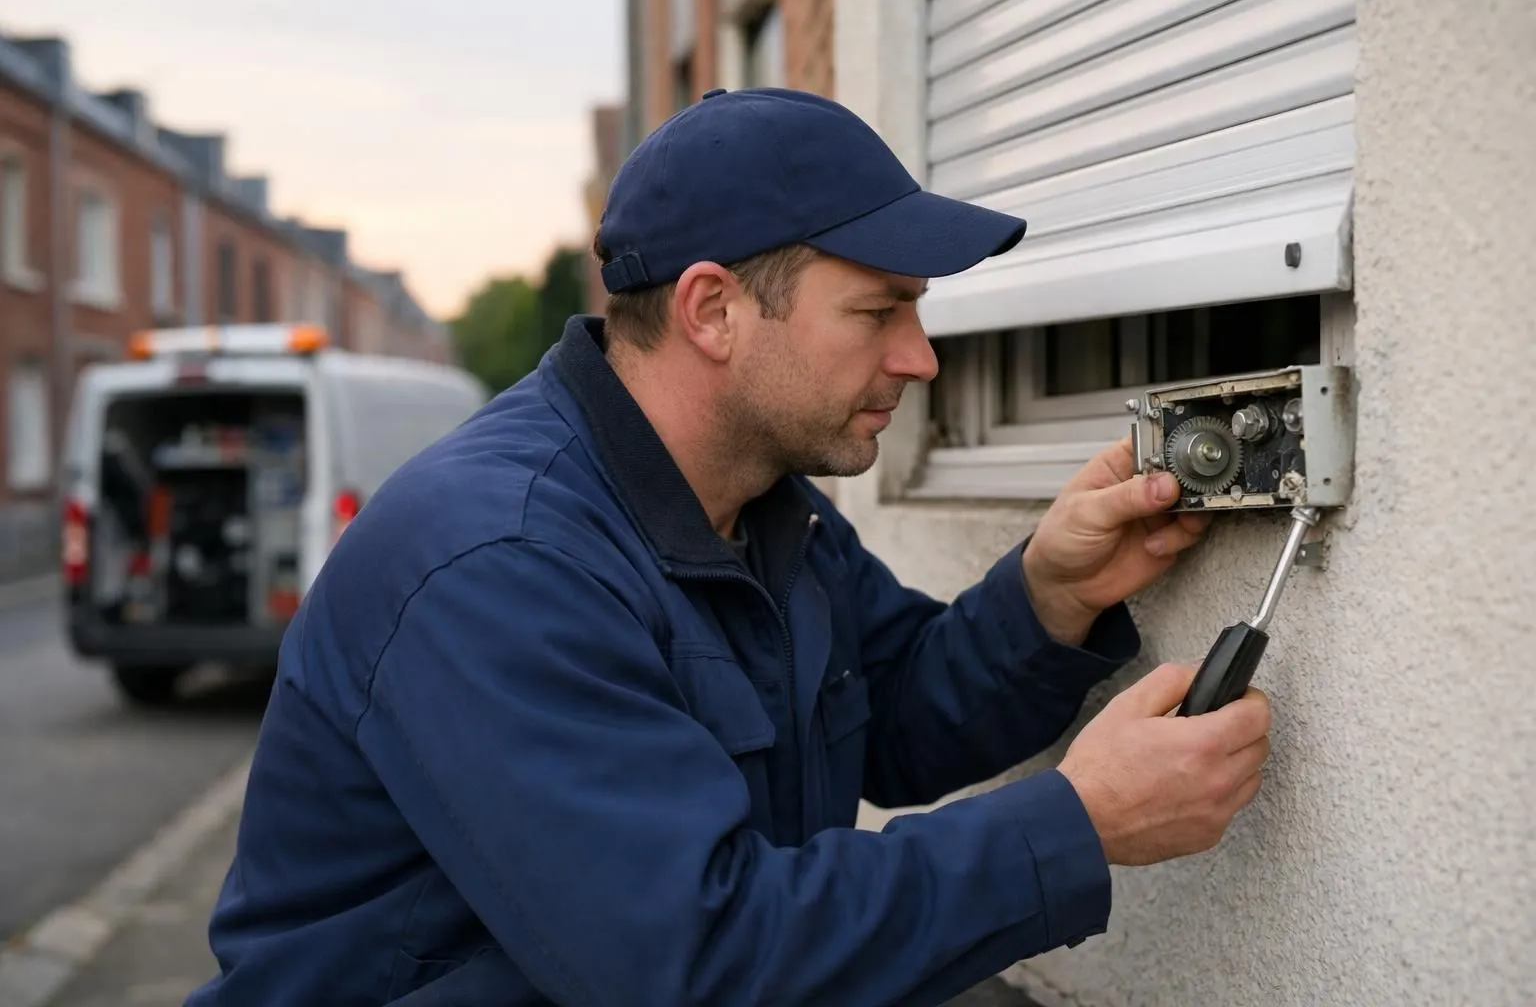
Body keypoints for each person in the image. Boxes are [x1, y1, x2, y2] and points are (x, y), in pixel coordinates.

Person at [187, 87, 1271, 1007]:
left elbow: (892, 717)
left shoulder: (763, 505)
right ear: (713, 310)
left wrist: (1048, 593)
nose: (921, 358)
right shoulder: (496, 560)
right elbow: (687, 960)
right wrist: (1078, 826)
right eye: (880, 309)